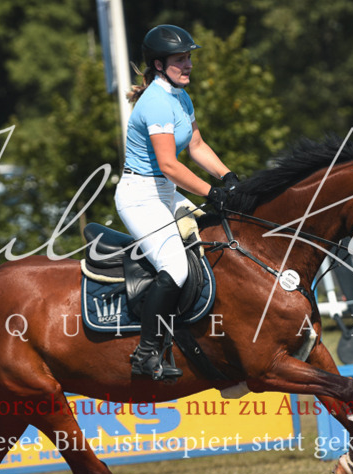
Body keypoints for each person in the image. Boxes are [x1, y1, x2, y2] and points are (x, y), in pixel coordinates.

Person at [115, 24, 239, 381]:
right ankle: (146, 352)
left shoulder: (180, 96)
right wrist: (210, 192)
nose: (188, 65)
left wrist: (229, 178)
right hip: (141, 197)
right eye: (180, 59)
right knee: (176, 267)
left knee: (220, 236)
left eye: (188, 58)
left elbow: (196, 145)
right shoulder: (156, 102)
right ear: (158, 64)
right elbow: (169, 165)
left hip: (165, 193)